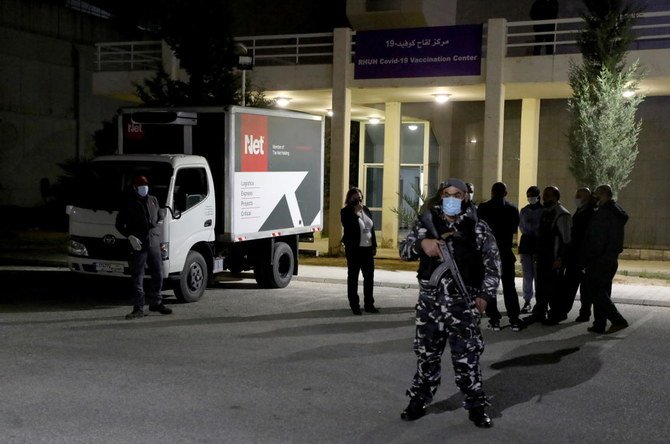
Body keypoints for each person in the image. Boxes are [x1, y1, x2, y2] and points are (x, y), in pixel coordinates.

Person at [398, 178, 500, 428]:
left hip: (463, 307)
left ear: (466, 197)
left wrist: (484, 296)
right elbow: (404, 250)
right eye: (447, 194)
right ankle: (419, 399)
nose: (451, 199)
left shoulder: (478, 228)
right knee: (426, 356)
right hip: (430, 307)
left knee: (467, 359)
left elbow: (493, 265)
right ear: (441, 196)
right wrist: (423, 244)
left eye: (457, 194)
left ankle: (476, 405)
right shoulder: (426, 223)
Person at [115, 175, 172, 320]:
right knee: (138, 276)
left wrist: (162, 215)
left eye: (145, 185)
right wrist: (130, 236)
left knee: (158, 273)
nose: (144, 188)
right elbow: (119, 224)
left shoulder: (153, 200)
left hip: (153, 242)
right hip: (138, 243)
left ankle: (156, 302)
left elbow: (158, 216)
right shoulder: (129, 203)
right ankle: (138, 308)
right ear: (135, 187)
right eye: (140, 186)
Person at [581, 185, 629, 334]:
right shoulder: (615, 211)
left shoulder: (605, 213)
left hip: (600, 259)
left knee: (596, 291)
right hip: (610, 258)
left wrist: (589, 257)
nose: (594, 199)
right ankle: (599, 324)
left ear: (603, 195)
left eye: (596, 196)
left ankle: (618, 320)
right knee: (603, 291)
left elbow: (598, 239)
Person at [477, 182, 523, 332]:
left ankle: (494, 320)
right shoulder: (512, 209)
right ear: (506, 193)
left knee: (490, 287)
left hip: (489, 254)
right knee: (509, 286)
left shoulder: (483, 208)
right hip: (505, 252)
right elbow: (514, 228)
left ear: (492, 192)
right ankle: (514, 319)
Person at [525, 186, 571, 326]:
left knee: (554, 288)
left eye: (548, 196)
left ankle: (556, 314)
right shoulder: (546, 212)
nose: (544, 198)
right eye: (544, 195)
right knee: (541, 286)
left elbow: (566, 239)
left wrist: (560, 258)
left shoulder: (562, 214)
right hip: (543, 256)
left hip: (554, 257)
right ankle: (539, 312)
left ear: (556, 197)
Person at [340, 187, 378, 315]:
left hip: (367, 249)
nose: (358, 200)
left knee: (369, 278)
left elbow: (371, 228)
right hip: (354, 250)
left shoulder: (366, 210)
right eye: (355, 198)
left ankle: (369, 304)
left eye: (360, 197)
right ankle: (354, 305)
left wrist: (374, 245)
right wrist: (356, 214)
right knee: (353, 277)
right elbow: (348, 228)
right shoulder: (345, 212)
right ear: (349, 198)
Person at [563, 188, 595, 322]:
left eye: (578, 196)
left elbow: (585, 235)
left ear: (586, 198)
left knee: (584, 287)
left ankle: (584, 312)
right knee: (571, 284)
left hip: (582, 255)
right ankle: (564, 310)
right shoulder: (581, 210)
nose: (575, 197)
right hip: (575, 254)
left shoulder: (589, 213)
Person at [518, 186, 543, 315]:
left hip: (538, 246)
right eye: (528, 195)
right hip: (527, 245)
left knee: (539, 276)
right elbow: (523, 227)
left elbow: (539, 229)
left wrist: (532, 227)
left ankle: (540, 302)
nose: (530, 198)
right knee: (527, 276)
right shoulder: (524, 211)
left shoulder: (543, 211)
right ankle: (527, 301)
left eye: (532, 195)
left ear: (538, 196)